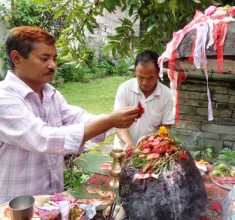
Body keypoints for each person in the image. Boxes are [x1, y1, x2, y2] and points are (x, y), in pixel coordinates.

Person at [0, 26, 140, 203]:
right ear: (17, 58)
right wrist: (109, 120)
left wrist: (112, 119)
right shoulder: (4, 98)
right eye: (44, 58)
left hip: (53, 203)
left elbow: (78, 117)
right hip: (14, 208)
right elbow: (43, 138)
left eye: (54, 58)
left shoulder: (51, 95)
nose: (53, 65)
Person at [113, 50, 174, 150]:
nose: (145, 83)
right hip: (123, 149)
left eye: (150, 78)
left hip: (150, 150)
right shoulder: (124, 89)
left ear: (158, 73)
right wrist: (128, 143)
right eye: (140, 77)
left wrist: (150, 138)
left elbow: (166, 127)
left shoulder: (167, 95)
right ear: (135, 72)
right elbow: (117, 122)